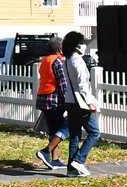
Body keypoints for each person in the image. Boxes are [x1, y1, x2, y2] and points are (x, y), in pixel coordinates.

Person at [62, 31, 101, 177]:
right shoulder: (78, 61)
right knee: (94, 132)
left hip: (70, 101)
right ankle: (79, 161)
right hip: (81, 102)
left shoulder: (67, 60)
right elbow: (83, 85)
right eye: (82, 42)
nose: (84, 45)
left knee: (75, 136)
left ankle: (71, 169)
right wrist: (90, 102)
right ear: (77, 45)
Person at [33, 37, 70, 170]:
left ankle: (55, 160)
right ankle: (45, 151)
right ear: (60, 49)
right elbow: (63, 83)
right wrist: (68, 102)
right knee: (66, 127)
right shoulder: (58, 61)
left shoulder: (45, 60)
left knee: (54, 130)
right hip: (54, 99)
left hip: (43, 98)